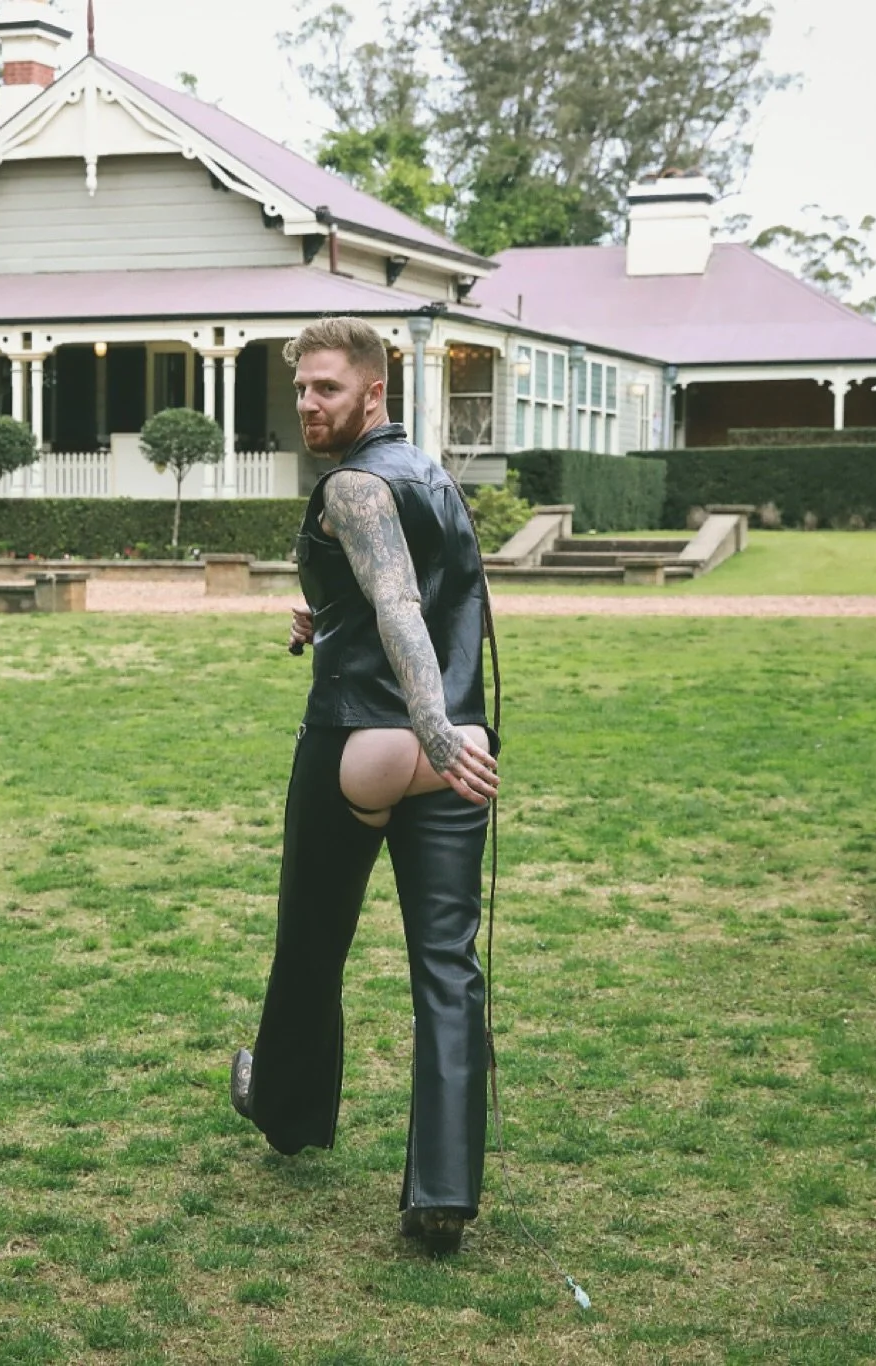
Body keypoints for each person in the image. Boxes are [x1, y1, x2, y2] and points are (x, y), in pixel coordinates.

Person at [229, 316, 500, 1256]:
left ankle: (283, 1106)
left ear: (373, 391)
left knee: (310, 942)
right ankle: (443, 1193)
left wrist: (426, 726)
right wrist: (329, 617)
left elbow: (398, 603)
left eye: (327, 389)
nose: (309, 403)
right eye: (302, 388)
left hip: (373, 741)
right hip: (461, 749)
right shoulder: (434, 478)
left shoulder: (351, 485)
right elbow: (439, 598)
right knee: (449, 965)